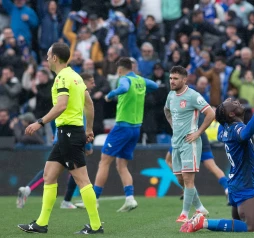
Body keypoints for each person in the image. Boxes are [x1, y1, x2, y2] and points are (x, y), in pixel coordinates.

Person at [17, 42, 103, 234]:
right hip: (70, 133)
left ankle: (96, 226)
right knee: (48, 176)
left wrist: (40, 122)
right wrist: (88, 128)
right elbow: (89, 103)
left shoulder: (62, 78)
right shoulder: (76, 77)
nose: (47, 59)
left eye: (48, 56)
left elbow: (61, 105)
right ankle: (41, 223)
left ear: (55, 58)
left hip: (69, 133)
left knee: (82, 180)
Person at [180, 95, 254, 233]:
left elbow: (223, 125)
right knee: (250, 228)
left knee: (237, 225)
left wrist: (224, 108)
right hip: (244, 183)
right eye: (233, 103)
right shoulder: (235, 129)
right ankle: (203, 222)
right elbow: (247, 133)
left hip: (234, 182)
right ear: (231, 114)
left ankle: (202, 222)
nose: (237, 101)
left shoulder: (224, 130)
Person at [82, 57, 158, 212]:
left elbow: (123, 88)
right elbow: (155, 85)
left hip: (122, 126)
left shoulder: (124, 79)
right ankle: (130, 198)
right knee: (121, 164)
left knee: (104, 161)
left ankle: (93, 199)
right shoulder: (140, 81)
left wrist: (111, 94)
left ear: (120, 70)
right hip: (136, 128)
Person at [16, 73, 96, 209]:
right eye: (91, 82)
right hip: (70, 138)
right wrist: (87, 145)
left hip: (63, 136)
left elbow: (60, 115)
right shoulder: (78, 97)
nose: (93, 85)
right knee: (78, 174)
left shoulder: (69, 95)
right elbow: (78, 122)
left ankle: (29, 191)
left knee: (51, 171)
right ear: (84, 82)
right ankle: (69, 203)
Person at [164, 66, 216, 223]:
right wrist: (173, 125)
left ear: (184, 80)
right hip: (176, 143)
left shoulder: (193, 96)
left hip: (189, 142)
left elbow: (211, 113)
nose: (172, 81)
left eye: (175, 79)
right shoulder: (171, 96)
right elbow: (166, 111)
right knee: (180, 179)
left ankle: (184, 214)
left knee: (188, 179)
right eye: (171, 78)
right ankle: (199, 207)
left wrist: (198, 132)